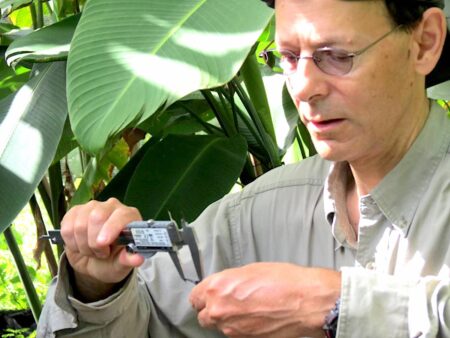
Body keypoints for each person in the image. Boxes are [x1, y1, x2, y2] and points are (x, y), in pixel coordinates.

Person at [37, 0, 450, 337]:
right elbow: (148, 318)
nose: (304, 87)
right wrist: (96, 289)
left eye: (337, 56)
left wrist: (336, 305)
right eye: (287, 56)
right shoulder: (260, 213)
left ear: (425, 43)